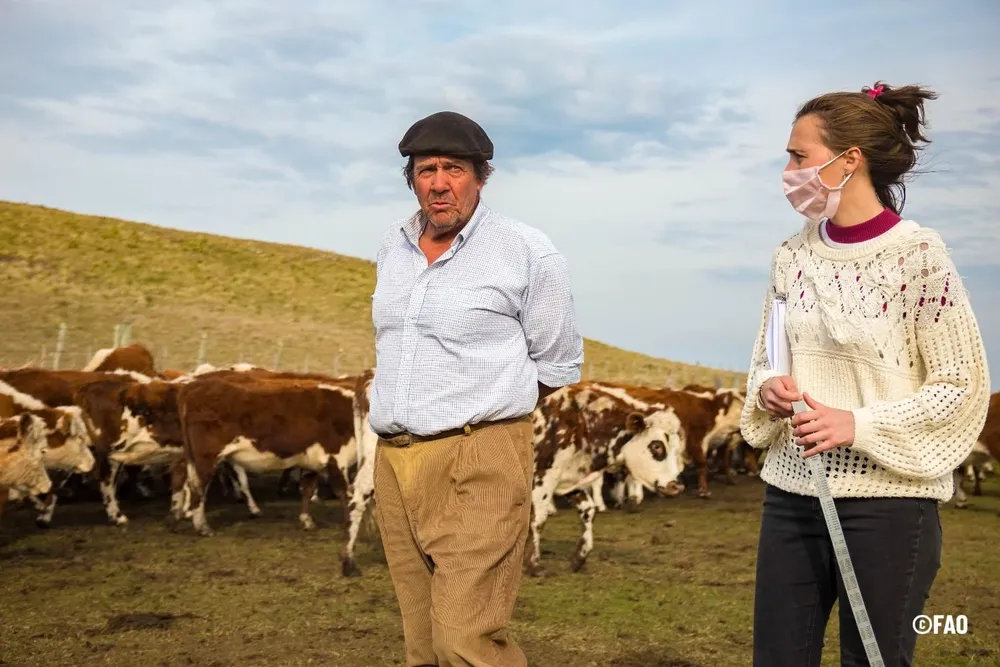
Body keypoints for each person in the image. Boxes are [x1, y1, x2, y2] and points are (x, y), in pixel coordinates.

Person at [740, 82, 991, 666]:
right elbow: (765, 361)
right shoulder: (791, 257)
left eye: (799, 156)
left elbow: (959, 387)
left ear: (848, 160)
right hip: (792, 494)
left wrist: (858, 423)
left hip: (889, 504)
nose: (788, 170)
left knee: (873, 660)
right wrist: (768, 389)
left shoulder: (919, 258)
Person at [369, 110, 585, 666]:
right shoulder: (392, 251)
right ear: (411, 178)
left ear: (481, 176)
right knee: (421, 642)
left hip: (479, 453)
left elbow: (557, 362)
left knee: (465, 639)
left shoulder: (526, 252)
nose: (438, 183)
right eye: (425, 169)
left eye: (454, 168)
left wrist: (487, 413)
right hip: (395, 461)